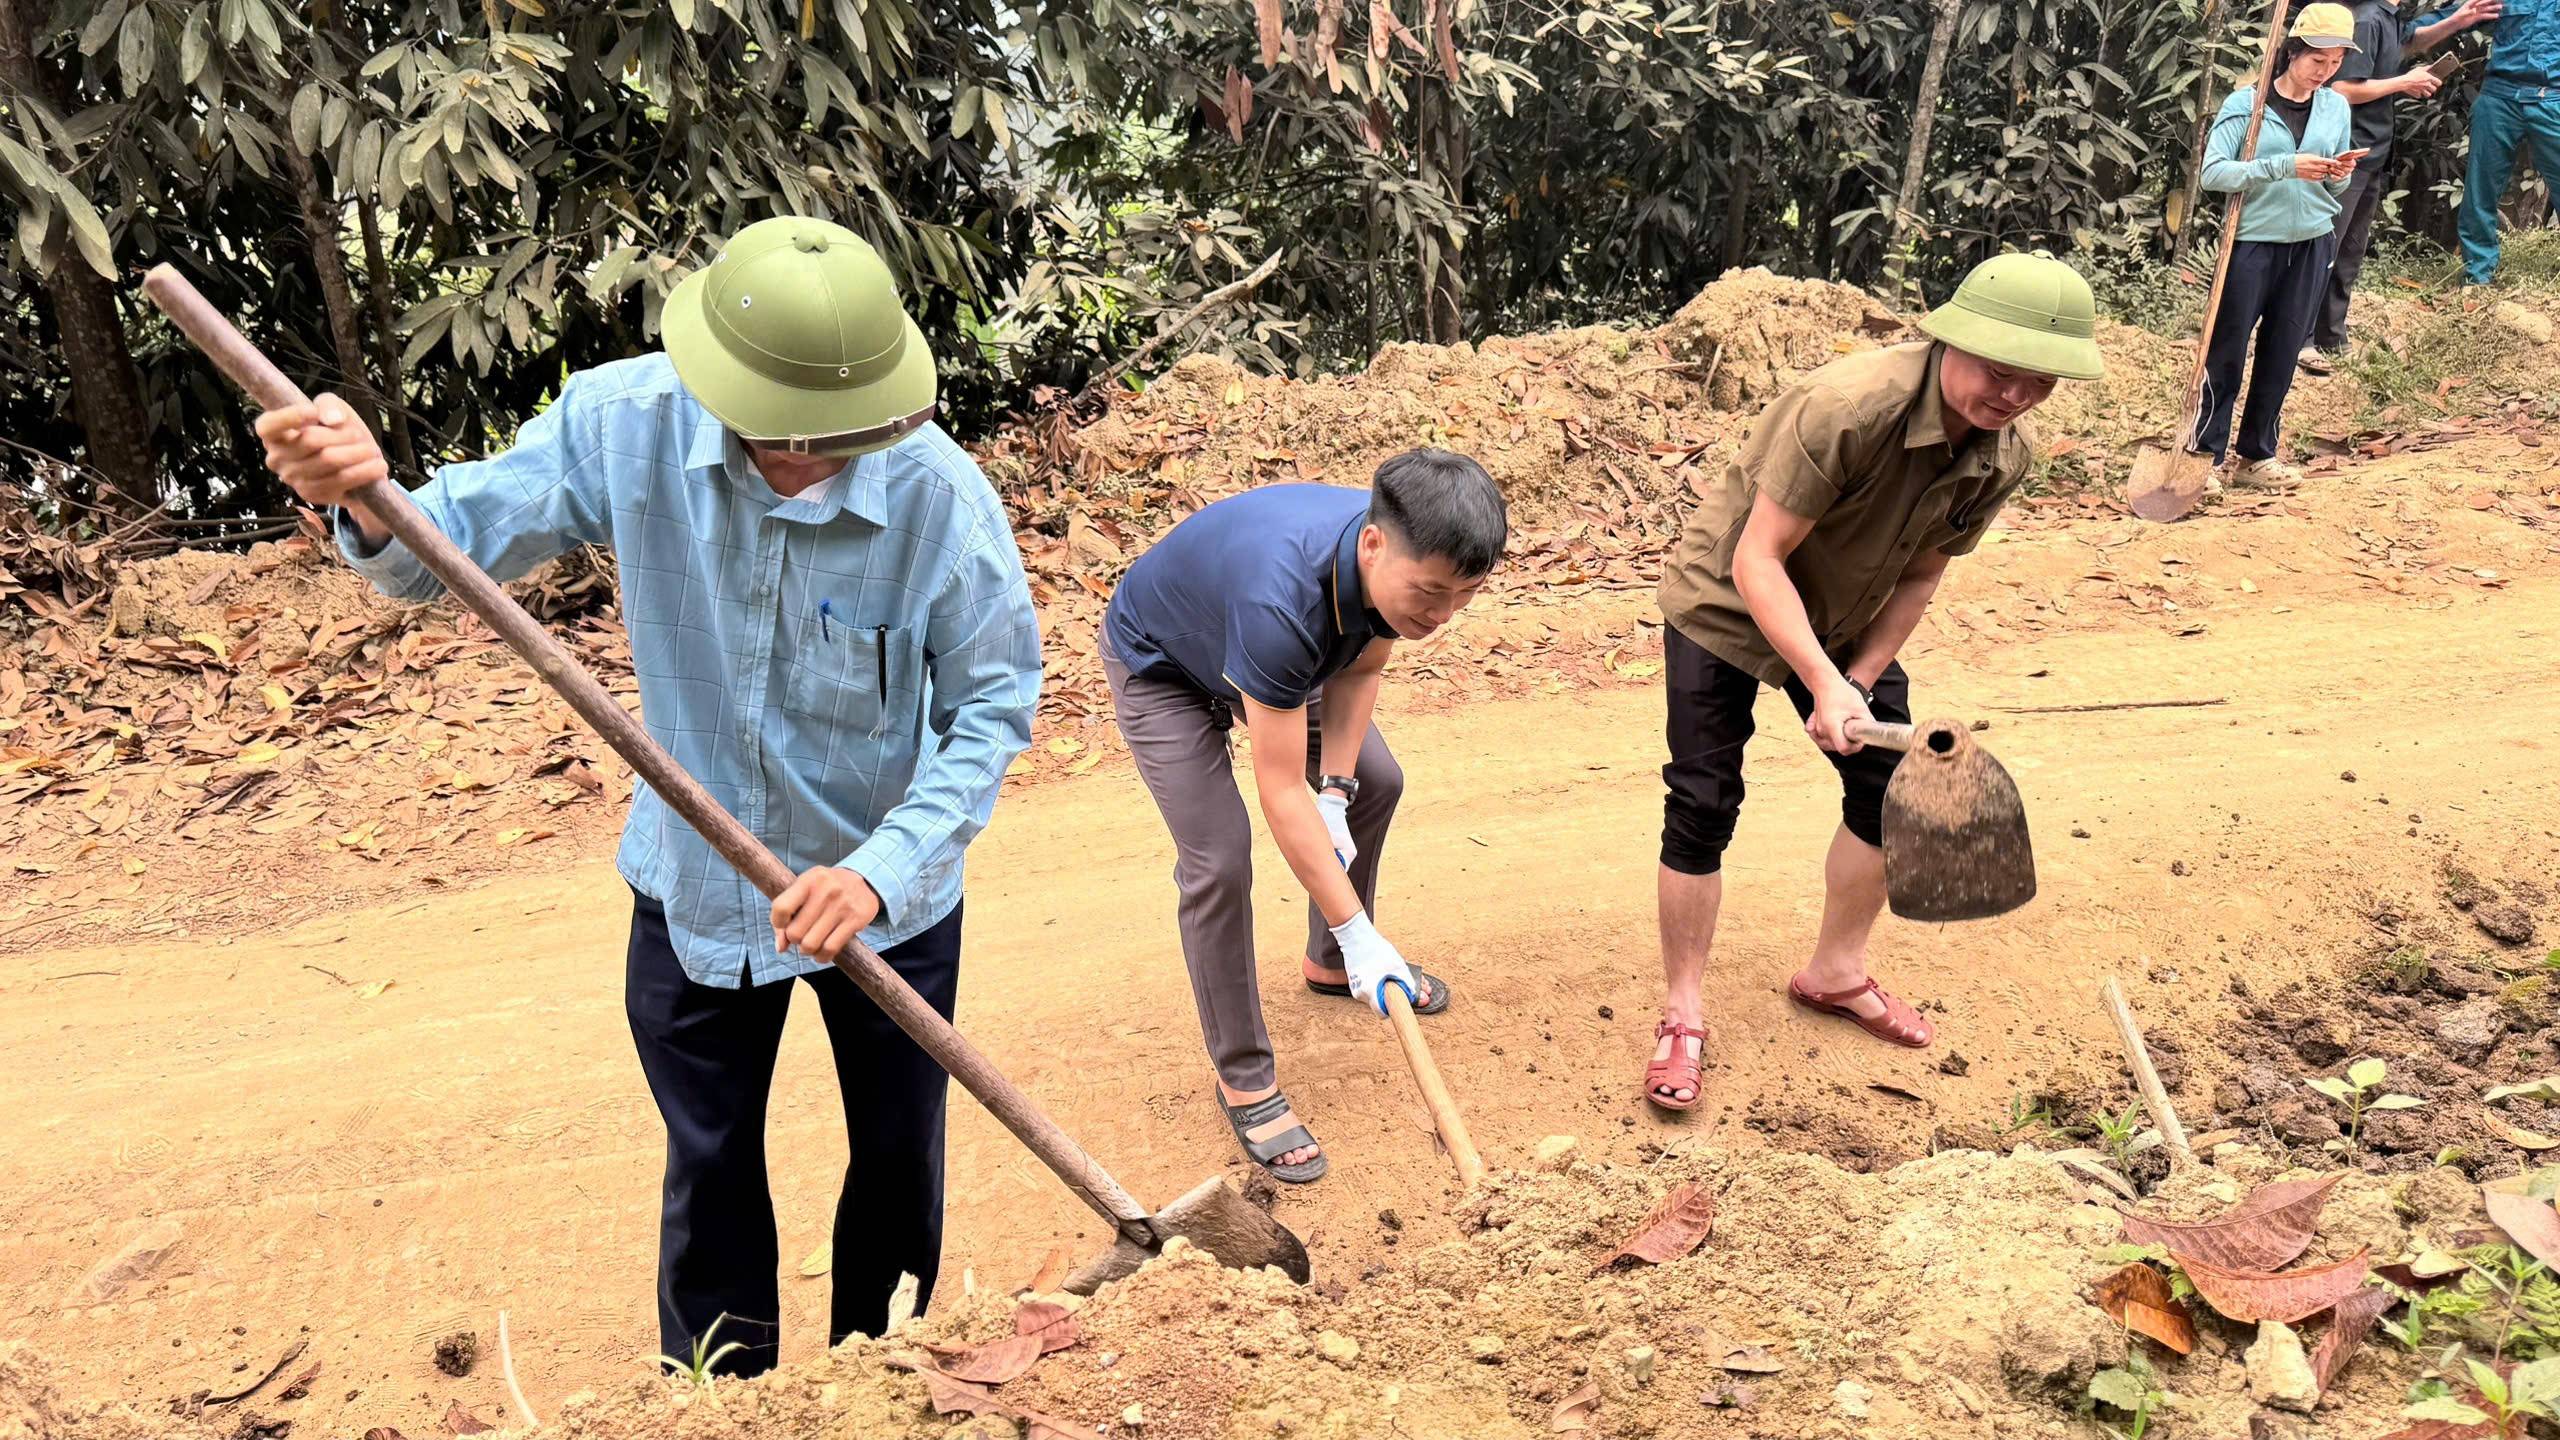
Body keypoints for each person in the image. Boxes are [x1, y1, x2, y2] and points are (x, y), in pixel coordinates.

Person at [251, 216, 1041, 1374]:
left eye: (832, 445)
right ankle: (722, 1396)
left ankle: (885, 1380)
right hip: (697, 890)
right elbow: (437, 555)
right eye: (777, 440)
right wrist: (369, 497)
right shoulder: (622, 424)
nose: (803, 465)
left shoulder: (940, 505)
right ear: (715, 389)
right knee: (710, 1158)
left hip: (886, 893)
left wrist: (877, 873)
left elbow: (990, 714)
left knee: (897, 1155)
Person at [1643, 253, 2104, 1112]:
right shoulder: (1850, 409)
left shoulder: (2004, 455)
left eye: (2037, 383)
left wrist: (1854, 677)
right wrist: (1821, 683)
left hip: (1848, 614)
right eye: (2000, 373)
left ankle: (1835, 971)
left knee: (1892, 787)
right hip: (1727, 600)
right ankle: (1684, 1011)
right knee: (1703, 800)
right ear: (1950, 340)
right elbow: (1758, 558)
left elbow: (1922, 576)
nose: (2012, 397)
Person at [1102, 452, 1506, 1183]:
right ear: (1374, 547)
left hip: (1269, 658)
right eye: (1431, 594)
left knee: (1379, 777)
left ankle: (1330, 965)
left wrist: (1340, 789)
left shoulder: (1398, 559)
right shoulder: (1282, 600)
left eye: (1465, 597)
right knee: (1218, 858)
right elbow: (1281, 791)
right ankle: (1245, 1075)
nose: (1442, 618)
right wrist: (1364, 930)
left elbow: (1362, 665)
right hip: (1163, 665)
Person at [2192, 3, 2365, 490]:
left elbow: (2330, 190)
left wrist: (2339, 174)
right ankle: (2202, 456)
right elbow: (2213, 174)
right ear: (2292, 51)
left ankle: (2256, 457)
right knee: (2226, 349)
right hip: (2250, 244)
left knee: (2283, 350)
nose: (2324, 72)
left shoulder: (2335, 107)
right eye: (2317, 60)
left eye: (2334, 63)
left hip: (2311, 242)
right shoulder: (2245, 105)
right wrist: (2284, 166)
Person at [2303, 0, 2503, 372]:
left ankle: (2331, 337)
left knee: (2349, 251)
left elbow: (2410, 43)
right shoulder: (2365, 19)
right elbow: (2342, 88)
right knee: (2324, 248)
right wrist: (2404, 82)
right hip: (2347, 151)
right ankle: (2301, 340)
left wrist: (2459, 20)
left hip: (2373, 151)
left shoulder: (2389, 18)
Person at [2433, 0, 2558, 286]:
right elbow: (2459, 18)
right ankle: (2478, 275)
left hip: (2554, 98)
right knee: (2481, 187)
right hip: (2500, 96)